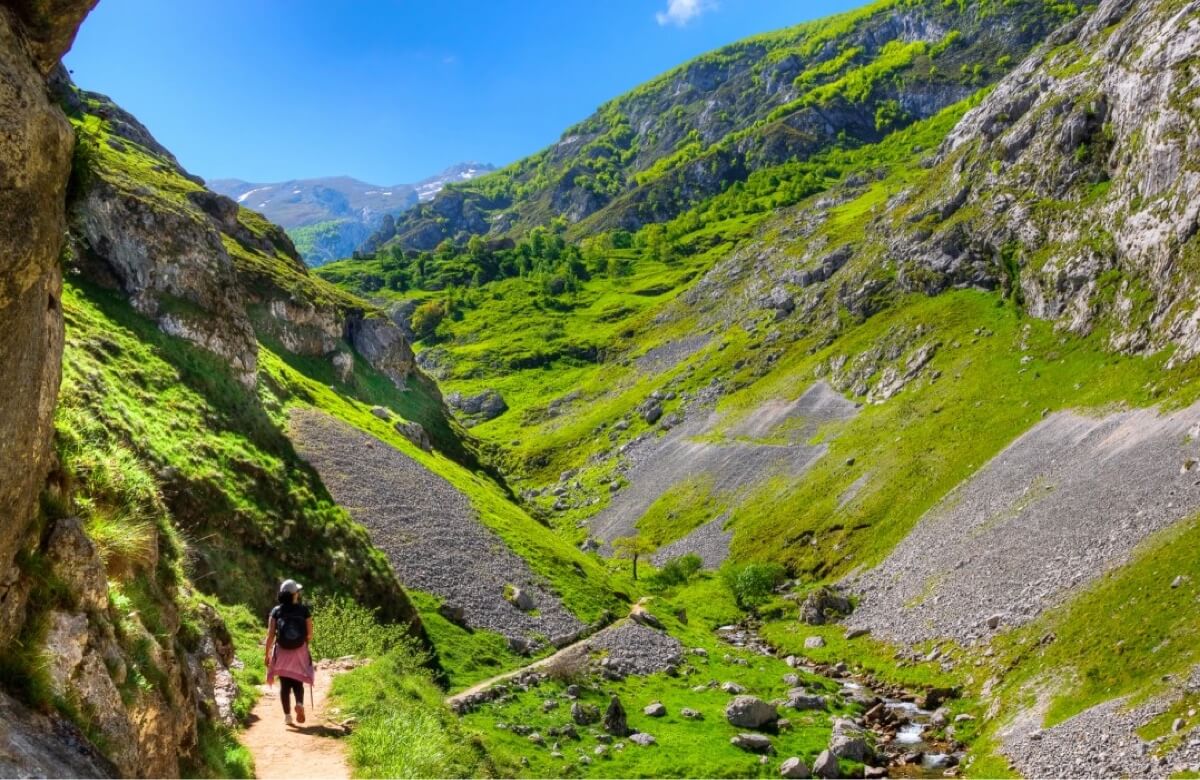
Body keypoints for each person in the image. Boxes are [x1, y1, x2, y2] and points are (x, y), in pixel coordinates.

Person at [265, 579, 315, 727]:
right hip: (299, 651)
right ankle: (299, 703)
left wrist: (267, 653)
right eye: (297, 592)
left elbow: (270, 634)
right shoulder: (303, 610)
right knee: (297, 682)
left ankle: (287, 716)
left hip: (282, 651)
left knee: (285, 685)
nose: (298, 594)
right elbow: (310, 634)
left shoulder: (276, 611)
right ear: (294, 594)